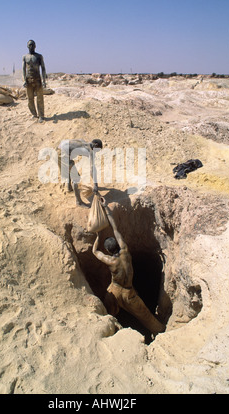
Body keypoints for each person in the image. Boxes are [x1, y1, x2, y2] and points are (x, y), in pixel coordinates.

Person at [92, 196, 165, 335]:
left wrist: (98, 236)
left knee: (108, 310)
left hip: (115, 290)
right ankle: (160, 330)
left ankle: (109, 329)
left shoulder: (110, 261)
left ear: (108, 250)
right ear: (117, 245)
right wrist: (106, 208)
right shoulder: (125, 250)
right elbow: (115, 229)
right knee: (146, 315)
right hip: (129, 292)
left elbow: (95, 251)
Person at [57, 139, 103, 207]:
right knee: (76, 179)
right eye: (97, 150)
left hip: (59, 148)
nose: (96, 153)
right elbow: (92, 169)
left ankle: (69, 187)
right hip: (64, 154)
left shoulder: (84, 141)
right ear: (95, 145)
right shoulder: (90, 151)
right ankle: (79, 202)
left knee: (70, 168)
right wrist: (95, 185)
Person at [22, 40, 47, 123]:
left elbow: (43, 68)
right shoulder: (25, 57)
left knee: (40, 98)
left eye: (32, 45)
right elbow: (23, 69)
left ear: (35, 46)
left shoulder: (39, 56)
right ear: (27, 46)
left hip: (37, 79)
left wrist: (44, 80)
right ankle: (34, 114)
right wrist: (24, 79)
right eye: (29, 45)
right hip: (28, 80)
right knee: (30, 99)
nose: (31, 46)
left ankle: (41, 115)